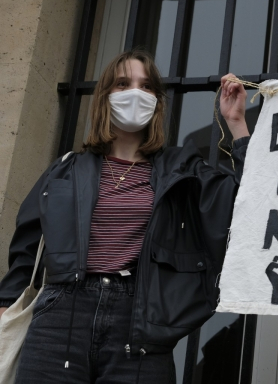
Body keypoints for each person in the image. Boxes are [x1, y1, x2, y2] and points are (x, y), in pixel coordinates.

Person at [0, 49, 249, 383]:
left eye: (146, 86)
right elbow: (27, 252)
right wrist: (4, 306)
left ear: (158, 101)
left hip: (140, 323)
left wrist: (236, 124)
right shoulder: (65, 170)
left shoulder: (181, 169)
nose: (135, 93)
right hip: (60, 317)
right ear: (105, 97)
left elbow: (248, 201)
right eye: (123, 83)